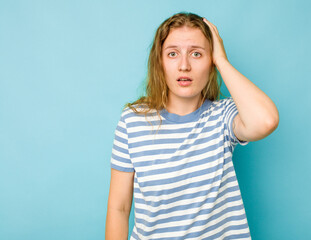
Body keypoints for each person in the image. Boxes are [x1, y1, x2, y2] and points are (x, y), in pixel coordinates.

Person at [105, 12, 279, 240]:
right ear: (159, 61)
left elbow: (266, 120)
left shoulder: (223, 116)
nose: (184, 65)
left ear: (211, 62)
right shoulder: (132, 121)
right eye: (173, 54)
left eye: (196, 54)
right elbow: (119, 209)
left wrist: (223, 62)